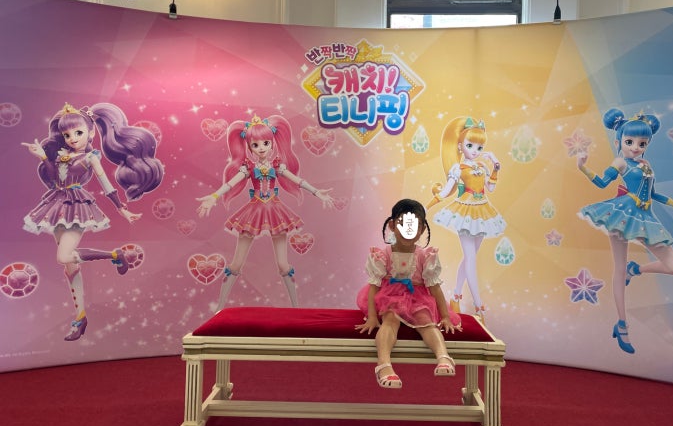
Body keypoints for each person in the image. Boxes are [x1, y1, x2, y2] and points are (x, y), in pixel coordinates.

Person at [22, 102, 164, 341]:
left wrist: (122, 209)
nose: (72, 138)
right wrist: (44, 158)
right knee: (69, 265)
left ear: (90, 133)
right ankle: (80, 317)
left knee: (64, 256)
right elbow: (55, 179)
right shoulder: (62, 156)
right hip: (56, 204)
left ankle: (115, 255)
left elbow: (106, 185)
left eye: (78, 132)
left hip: (76, 206)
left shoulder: (90, 157)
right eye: (67, 135)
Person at [577, 108, 673, 354]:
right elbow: (602, 183)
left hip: (645, 216)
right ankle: (622, 324)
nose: (635, 147)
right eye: (629, 142)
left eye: (642, 143)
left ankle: (637, 269)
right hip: (621, 213)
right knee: (619, 268)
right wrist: (583, 167)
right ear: (618, 142)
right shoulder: (620, 162)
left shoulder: (646, 165)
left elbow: (654, 194)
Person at [196, 114, 333, 310]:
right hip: (253, 212)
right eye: (255, 145)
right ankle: (220, 307)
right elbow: (230, 184)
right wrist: (214, 197)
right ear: (249, 147)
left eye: (266, 143)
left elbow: (297, 181)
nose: (261, 148)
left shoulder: (277, 165)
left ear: (272, 143)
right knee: (236, 264)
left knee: (283, 265)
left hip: (276, 212)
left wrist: (317, 192)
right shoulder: (248, 167)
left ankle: (296, 308)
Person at [355, 198, 462, 389]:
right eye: (402, 224)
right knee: (390, 319)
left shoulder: (425, 255)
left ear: (421, 229)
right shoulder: (383, 254)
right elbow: (374, 287)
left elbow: (434, 287)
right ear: (392, 225)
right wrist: (371, 317)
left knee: (427, 322)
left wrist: (445, 316)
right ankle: (384, 364)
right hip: (390, 296)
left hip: (418, 298)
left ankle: (443, 356)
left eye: (414, 226)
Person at [428, 117, 506, 321]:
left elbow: (490, 188)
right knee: (470, 258)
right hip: (464, 212)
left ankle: (455, 296)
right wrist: (426, 206)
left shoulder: (481, 166)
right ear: (460, 146)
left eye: (479, 147)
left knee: (470, 257)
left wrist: (495, 167)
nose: (475, 151)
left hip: (483, 212)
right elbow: (446, 191)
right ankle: (479, 306)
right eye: (470, 146)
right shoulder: (458, 168)